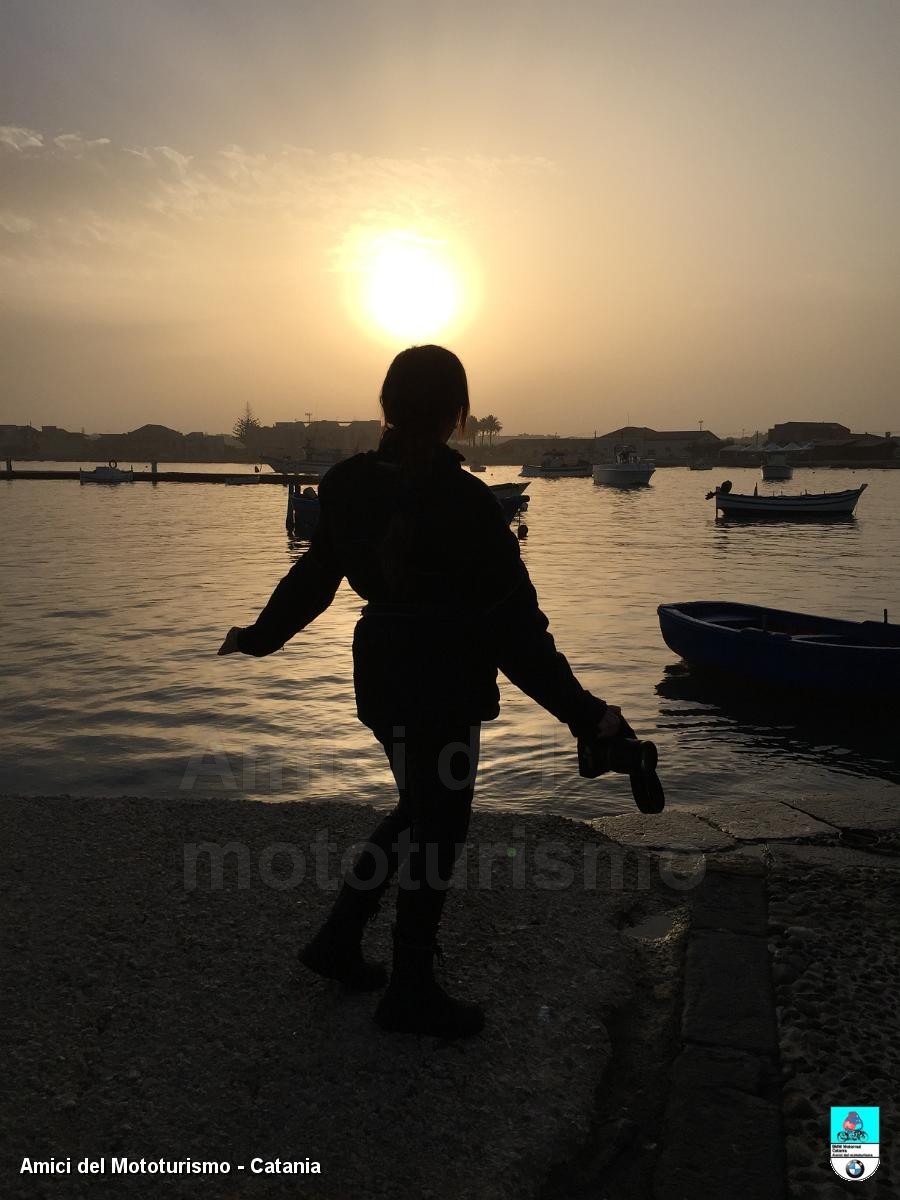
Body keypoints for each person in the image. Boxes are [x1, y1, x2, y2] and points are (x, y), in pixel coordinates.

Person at [218, 345, 621, 1038]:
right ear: (456, 414)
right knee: (439, 823)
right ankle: (409, 988)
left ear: (387, 406)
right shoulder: (469, 504)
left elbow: (315, 578)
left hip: (381, 673)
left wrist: (261, 635)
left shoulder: (347, 483)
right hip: (445, 681)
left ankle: (340, 939)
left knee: (418, 807)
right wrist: (586, 716)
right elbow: (517, 634)